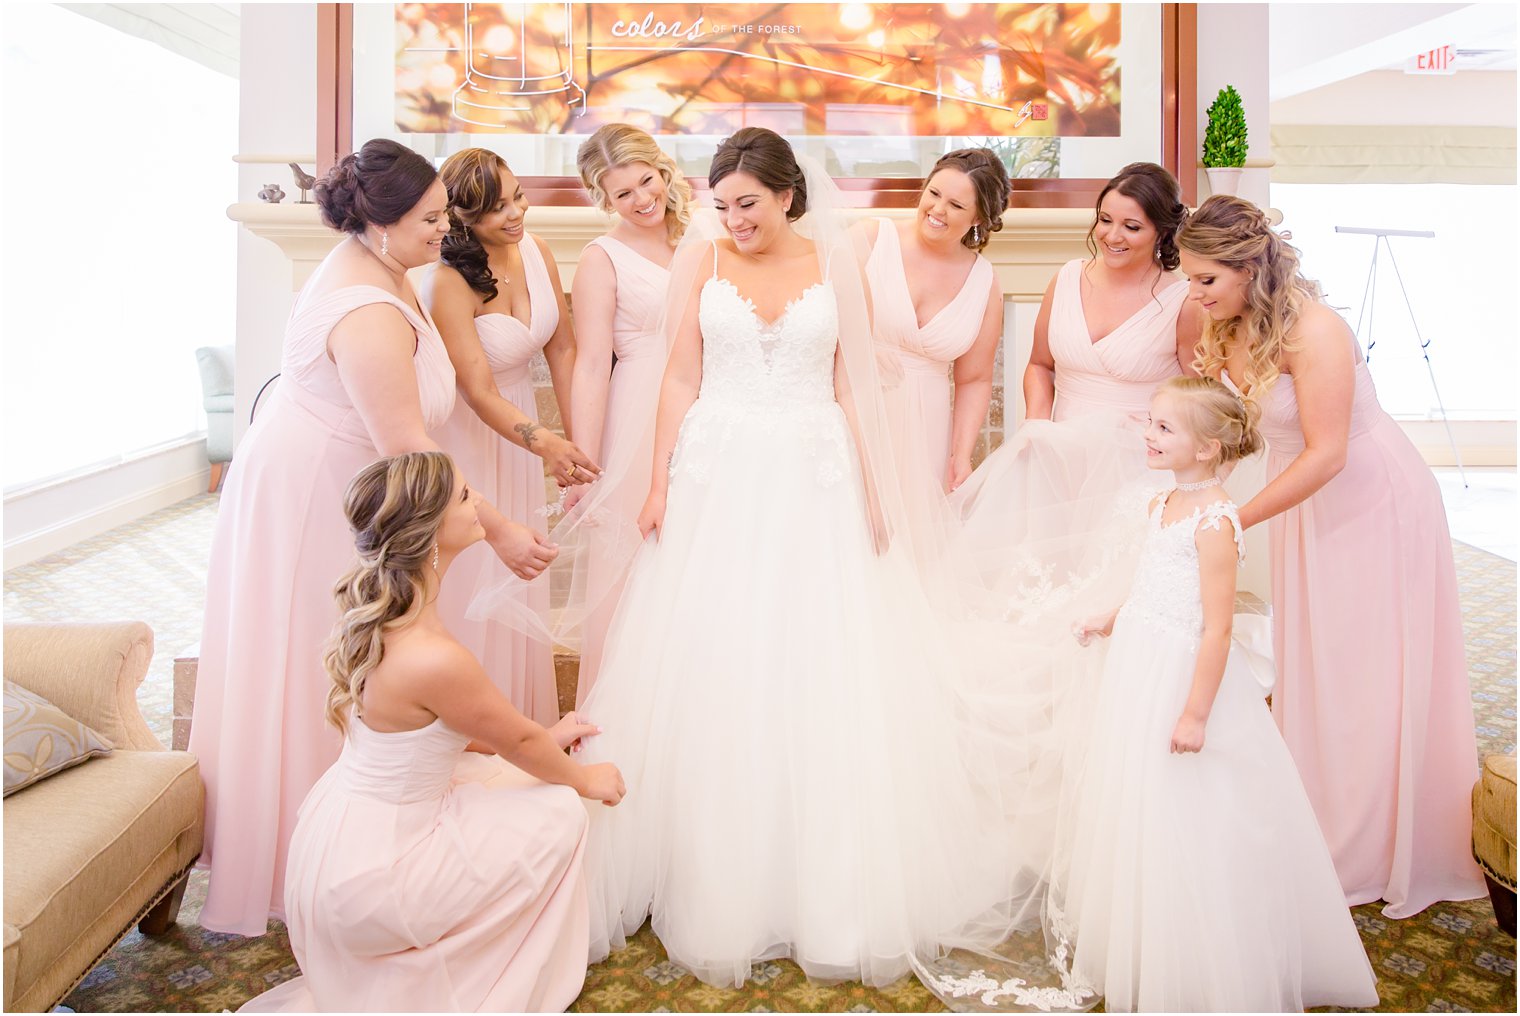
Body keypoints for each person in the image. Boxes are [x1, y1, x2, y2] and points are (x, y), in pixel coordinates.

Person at [567, 127, 1030, 989]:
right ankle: (697, 860)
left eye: (748, 204)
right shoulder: (699, 262)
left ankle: (815, 874)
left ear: (788, 196)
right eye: (721, 205)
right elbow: (677, 376)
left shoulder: (835, 261)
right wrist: (662, 480)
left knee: (818, 658)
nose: (733, 220)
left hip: (814, 468)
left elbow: (853, 378)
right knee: (717, 655)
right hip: (718, 469)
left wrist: (879, 484)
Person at [190, 139, 557, 937]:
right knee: (318, 659)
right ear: (379, 224)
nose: (444, 230)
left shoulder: (387, 267)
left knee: (354, 659)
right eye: (429, 219)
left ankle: (345, 844)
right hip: (318, 491)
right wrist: (496, 528)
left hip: (345, 479)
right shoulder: (365, 309)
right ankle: (305, 859)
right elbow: (409, 451)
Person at [1177, 195, 1485, 918]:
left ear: (1251, 267)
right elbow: (1249, 434)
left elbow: (1329, 452)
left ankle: (1371, 846)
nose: (1195, 295)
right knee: (1320, 661)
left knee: (1368, 668)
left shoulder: (1314, 330)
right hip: (1308, 505)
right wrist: (1196, 487)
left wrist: (1231, 519)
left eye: (1206, 281)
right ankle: (1319, 817)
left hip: (1373, 503)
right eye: (1190, 280)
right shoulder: (1227, 322)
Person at [237, 451, 625, 1014]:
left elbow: (455, 731)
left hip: (339, 840)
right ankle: (478, 981)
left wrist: (549, 733)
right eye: (467, 498)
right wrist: (586, 778)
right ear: (430, 534)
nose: (480, 506)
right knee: (560, 810)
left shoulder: (388, 615)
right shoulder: (434, 655)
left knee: (489, 774)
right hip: (374, 874)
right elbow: (516, 742)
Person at [1050, 378, 1377, 1011]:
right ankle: (1143, 940)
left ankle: (1202, 960)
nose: (1148, 434)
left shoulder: (1216, 521)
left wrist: (1196, 713)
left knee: (1186, 806)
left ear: (1207, 448)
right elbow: (1152, 585)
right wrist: (1112, 615)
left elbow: (1218, 626)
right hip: (1140, 660)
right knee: (1137, 798)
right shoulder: (1162, 504)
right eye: (1152, 422)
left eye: (1164, 428)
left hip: (1183, 674)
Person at [424, 147, 595, 726]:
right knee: (479, 572)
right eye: (497, 208)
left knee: (522, 573)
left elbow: (565, 348)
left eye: (517, 195)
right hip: (472, 432)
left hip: (521, 422)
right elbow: (475, 389)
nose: (517, 213)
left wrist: (578, 437)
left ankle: (522, 724)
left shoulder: (536, 248)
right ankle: (472, 728)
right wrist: (543, 441)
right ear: (463, 217)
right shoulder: (448, 280)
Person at [562, 124, 692, 702]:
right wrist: (585, 465)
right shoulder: (601, 258)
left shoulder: (704, 234)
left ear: (663, 171)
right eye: (623, 194)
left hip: (712, 403)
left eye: (647, 181)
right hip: (638, 411)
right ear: (603, 200)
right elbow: (590, 365)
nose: (643, 200)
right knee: (637, 563)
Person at [858, 148, 1005, 495]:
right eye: (934, 194)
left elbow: (975, 378)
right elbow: (820, 321)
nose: (937, 210)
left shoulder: (983, 281)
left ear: (978, 219)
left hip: (927, 428)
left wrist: (961, 455)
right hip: (860, 406)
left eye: (956, 205)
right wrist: (859, 350)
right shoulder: (870, 239)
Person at [1023, 162, 1196, 425]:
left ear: (1161, 233)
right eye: (1105, 220)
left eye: (1132, 227)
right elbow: (1040, 366)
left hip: (1143, 457)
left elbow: (1199, 397)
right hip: (1061, 452)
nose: (1112, 236)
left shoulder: (1183, 302)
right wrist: (1036, 429)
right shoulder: (1066, 278)